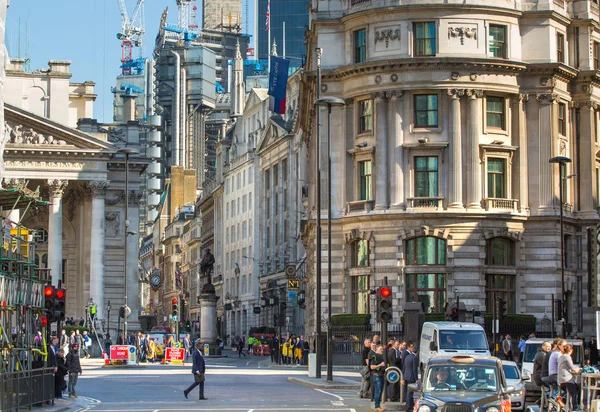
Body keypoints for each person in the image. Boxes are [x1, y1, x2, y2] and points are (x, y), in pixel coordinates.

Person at [558, 343, 581, 410]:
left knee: (576, 388)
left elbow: (566, 367)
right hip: (567, 378)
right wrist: (578, 369)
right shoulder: (567, 357)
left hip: (561, 378)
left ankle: (561, 398)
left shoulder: (561, 356)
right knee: (574, 393)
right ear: (571, 350)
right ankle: (575, 408)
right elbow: (572, 367)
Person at [402, 341, 419, 412]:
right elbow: (414, 369)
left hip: (406, 376)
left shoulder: (407, 357)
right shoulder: (414, 358)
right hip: (411, 376)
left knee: (408, 392)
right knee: (410, 393)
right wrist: (416, 379)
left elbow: (404, 367)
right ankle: (408, 408)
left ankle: (409, 405)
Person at [369, 344, 386, 412]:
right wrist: (380, 365)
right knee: (378, 391)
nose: (382, 350)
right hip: (377, 375)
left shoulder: (381, 356)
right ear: (376, 349)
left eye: (382, 349)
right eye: (380, 349)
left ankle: (378, 405)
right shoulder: (374, 356)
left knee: (380, 391)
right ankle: (377, 406)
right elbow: (372, 367)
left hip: (381, 375)